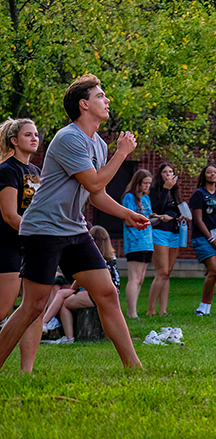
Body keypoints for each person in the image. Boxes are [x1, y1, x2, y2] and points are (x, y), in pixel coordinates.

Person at [0, 75, 148, 371]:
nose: (107, 101)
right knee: (34, 306)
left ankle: (135, 368)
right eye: (101, 96)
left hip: (74, 230)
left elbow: (96, 195)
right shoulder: (69, 138)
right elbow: (94, 181)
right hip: (43, 230)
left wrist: (125, 214)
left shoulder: (99, 146)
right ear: (84, 104)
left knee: (107, 293)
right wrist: (122, 153)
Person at [0, 118, 41, 368]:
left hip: (32, 245)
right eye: (28, 135)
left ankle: (27, 371)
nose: (34, 138)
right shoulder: (6, 170)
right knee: (3, 307)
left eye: (36, 134)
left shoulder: (36, 172)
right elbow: (9, 215)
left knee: (35, 307)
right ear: (14, 141)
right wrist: (36, 233)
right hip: (7, 244)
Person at [40, 225, 120, 344]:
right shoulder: (110, 257)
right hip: (110, 292)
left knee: (65, 304)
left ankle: (63, 334)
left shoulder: (93, 259)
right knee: (62, 292)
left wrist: (73, 290)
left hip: (96, 292)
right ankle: (47, 322)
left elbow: (80, 279)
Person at [190, 163, 216, 316]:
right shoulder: (199, 194)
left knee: (214, 273)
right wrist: (210, 238)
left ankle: (206, 307)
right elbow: (198, 220)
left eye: (215, 172)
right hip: (202, 238)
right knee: (214, 269)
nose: (212, 175)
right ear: (204, 175)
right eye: (209, 172)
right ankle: (202, 306)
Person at [146, 162, 182, 316]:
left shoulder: (175, 191)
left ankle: (163, 310)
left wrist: (175, 215)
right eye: (165, 172)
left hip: (174, 231)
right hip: (159, 231)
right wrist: (166, 188)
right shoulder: (154, 190)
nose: (168, 175)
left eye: (171, 172)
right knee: (162, 271)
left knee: (168, 272)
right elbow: (156, 209)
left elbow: (178, 210)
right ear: (160, 175)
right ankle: (150, 310)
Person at [120, 168, 154, 319]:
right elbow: (127, 219)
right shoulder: (129, 197)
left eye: (149, 183)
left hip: (148, 241)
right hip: (135, 241)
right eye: (144, 183)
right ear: (137, 183)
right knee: (134, 277)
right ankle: (131, 312)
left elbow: (148, 216)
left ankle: (133, 310)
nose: (147, 186)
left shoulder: (146, 199)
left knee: (141, 278)